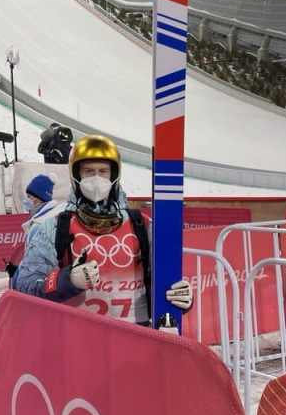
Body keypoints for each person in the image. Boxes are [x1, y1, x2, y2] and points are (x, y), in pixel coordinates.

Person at [14, 134, 194, 326]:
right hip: (77, 340)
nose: (97, 179)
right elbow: (25, 287)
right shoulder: (55, 228)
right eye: (88, 171)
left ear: (114, 175)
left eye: (103, 171)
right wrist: (66, 281)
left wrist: (180, 298)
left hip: (135, 338)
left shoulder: (142, 225)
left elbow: (164, 280)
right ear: (76, 176)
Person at [6, 173, 64, 284]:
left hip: (41, 285)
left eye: (29, 196)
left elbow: (41, 266)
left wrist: (19, 276)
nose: (26, 200)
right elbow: (36, 260)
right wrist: (18, 270)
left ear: (39, 198)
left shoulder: (41, 224)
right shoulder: (41, 219)